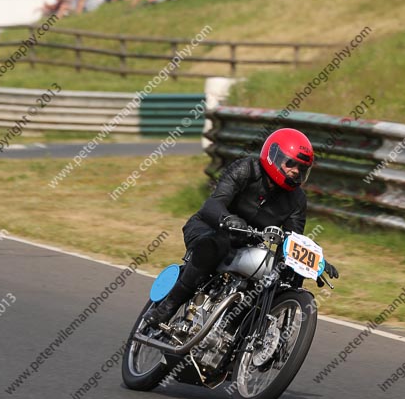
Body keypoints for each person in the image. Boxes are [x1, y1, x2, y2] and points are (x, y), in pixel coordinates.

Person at [144, 128, 338, 328]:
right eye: (290, 163)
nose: (296, 171)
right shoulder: (246, 169)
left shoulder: (297, 199)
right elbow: (212, 204)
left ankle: (237, 331)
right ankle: (167, 308)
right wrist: (228, 219)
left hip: (247, 244)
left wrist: (314, 261)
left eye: (301, 168)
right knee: (215, 244)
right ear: (273, 156)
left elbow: (292, 239)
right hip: (209, 227)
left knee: (282, 274)